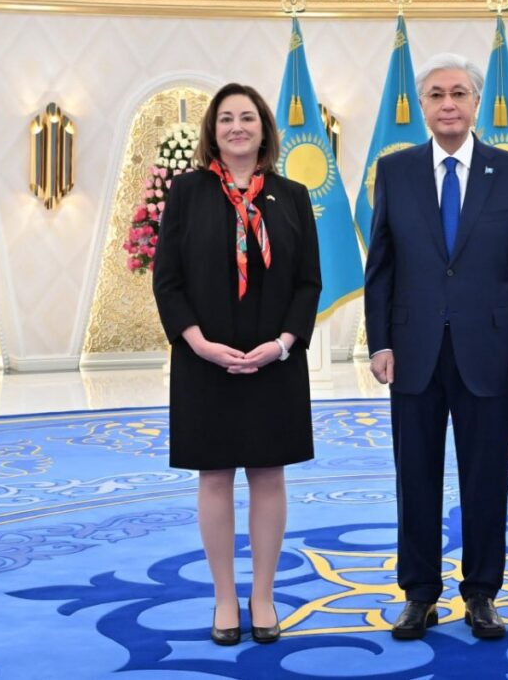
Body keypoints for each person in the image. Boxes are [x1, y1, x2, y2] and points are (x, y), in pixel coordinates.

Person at [364, 53, 508, 640]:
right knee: (415, 477)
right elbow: (381, 267)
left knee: (486, 478)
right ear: (422, 106)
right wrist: (379, 341)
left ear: (476, 102)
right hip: (413, 351)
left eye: (459, 93)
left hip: (491, 352)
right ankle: (419, 594)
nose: (448, 104)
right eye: (437, 95)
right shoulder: (394, 171)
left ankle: (482, 593)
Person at [153, 82, 321, 645]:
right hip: (205, 361)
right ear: (213, 131)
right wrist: (198, 343)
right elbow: (168, 280)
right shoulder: (187, 192)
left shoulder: (292, 195)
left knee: (269, 474)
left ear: (264, 129)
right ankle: (225, 597)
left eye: (247, 117)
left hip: (276, 361)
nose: (236, 127)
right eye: (225, 118)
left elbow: (308, 282)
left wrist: (283, 343)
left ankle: (263, 595)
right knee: (215, 475)